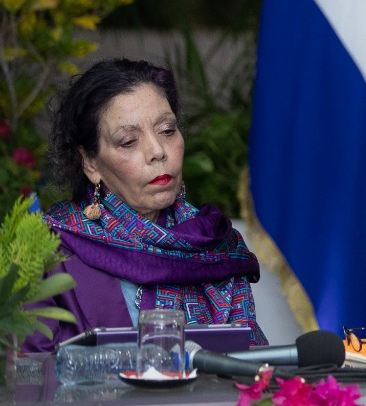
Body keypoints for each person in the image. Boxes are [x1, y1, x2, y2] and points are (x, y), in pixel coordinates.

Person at [23, 58, 266, 351]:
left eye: (167, 130)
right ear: (90, 163)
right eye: (129, 141)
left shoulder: (214, 245)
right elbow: (32, 370)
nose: (157, 151)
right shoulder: (48, 250)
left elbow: (254, 368)